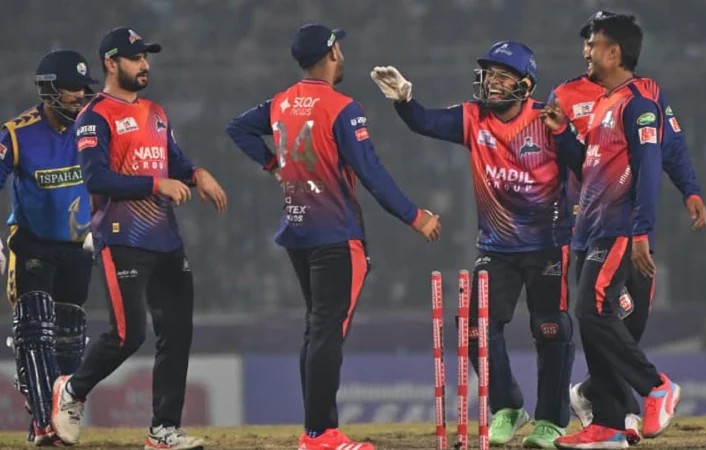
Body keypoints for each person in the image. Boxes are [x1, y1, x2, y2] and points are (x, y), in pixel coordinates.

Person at [226, 23, 441, 450]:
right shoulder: (342, 108)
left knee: (317, 330)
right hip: (336, 235)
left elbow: (238, 128)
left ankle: (316, 431)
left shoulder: (282, 102)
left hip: (299, 231)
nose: (342, 54)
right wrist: (415, 217)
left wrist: (272, 164)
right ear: (332, 54)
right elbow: (371, 172)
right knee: (327, 332)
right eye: (338, 47)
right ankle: (320, 434)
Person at [370, 40, 582, 448]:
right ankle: (507, 408)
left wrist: (565, 133)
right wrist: (405, 102)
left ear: (525, 85)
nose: (493, 83)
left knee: (550, 328)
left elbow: (583, 165)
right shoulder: (472, 117)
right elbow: (426, 122)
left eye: (503, 76)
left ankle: (551, 420)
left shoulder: (548, 118)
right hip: (496, 247)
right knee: (474, 328)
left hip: (547, 244)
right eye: (489, 75)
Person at [49, 27, 227, 450]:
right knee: (128, 335)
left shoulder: (156, 112)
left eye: (146, 57)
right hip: (120, 238)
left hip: (166, 239)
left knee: (177, 333)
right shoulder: (94, 116)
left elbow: (175, 162)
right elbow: (96, 178)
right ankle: (72, 390)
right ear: (110, 63)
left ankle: (163, 430)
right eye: (135, 58)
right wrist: (155, 184)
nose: (145, 64)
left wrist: (198, 174)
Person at [551, 10, 706, 444]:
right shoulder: (606, 102)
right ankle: (608, 423)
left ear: (614, 52)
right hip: (589, 229)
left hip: (617, 227)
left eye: (593, 44)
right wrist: (562, 134)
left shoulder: (639, 102)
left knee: (592, 312)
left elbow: (651, 165)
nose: (586, 51)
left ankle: (656, 386)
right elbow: (588, 167)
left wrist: (642, 231)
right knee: (596, 323)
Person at [0, 49, 96, 446]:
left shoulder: (93, 127)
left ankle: (57, 416)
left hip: (78, 245)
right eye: (71, 89)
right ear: (49, 90)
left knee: (70, 337)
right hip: (31, 244)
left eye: (82, 88)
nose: (79, 96)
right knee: (36, 327)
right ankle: (44, 424)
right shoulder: (16, 133)